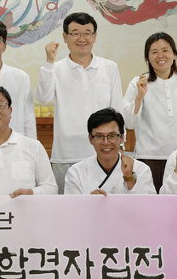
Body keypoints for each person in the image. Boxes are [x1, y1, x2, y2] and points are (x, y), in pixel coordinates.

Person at [35, 11, 124, 193]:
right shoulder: (55, 68)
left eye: (87, 33)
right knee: (67, 207)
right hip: (65, 154)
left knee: (105, 205)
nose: (82, 39)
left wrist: (119, 146)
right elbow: (43, 99)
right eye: (75, 33)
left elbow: (117, 109)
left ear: (94, 37)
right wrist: (49, 62)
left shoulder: (109, 67)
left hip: (103, 152)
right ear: (65, 37)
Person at [122, 32, 177, 192]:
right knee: (151, 204)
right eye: (154, 52)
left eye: (165, 50)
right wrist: (139, 97)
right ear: (147, 58)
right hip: (148, 157)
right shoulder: (138, 83)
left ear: (174, 54)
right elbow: (129, 123)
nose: (160, 56)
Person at [64, 108, 155, 196]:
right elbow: (72, 206)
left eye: (112, 136)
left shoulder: (141, 169)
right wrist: (89, 201)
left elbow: (148, 204)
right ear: (90, 139)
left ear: (122, 138)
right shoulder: (76, 172)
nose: (106, 142)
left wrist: (129, 178)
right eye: (99, 136)